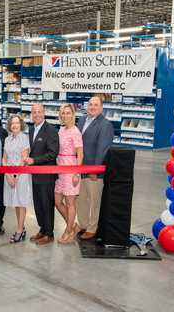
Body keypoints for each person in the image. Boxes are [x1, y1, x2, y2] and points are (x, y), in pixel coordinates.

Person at [75, 96, 114, 240]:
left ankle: (93, 228)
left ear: (101, 107)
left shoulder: (105, 125)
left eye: (96, 105)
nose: (92, 107)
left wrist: (95, 171)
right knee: (81, 199)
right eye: (90, 104)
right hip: (79, 168)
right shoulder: (81, 120)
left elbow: (102, 150)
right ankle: (84, 224)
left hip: (93, 171)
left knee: (95, 201)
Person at [24, 103, 59, 245]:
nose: (36, 114)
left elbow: (52, 153)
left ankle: (49, 233)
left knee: (47, 204)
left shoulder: (50, 130)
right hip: (35, 175)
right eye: (34, 112)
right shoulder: (32, 129)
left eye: (39, 112)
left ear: (44, 112)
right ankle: (43, 229)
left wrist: (33, 160)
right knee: (38, 204)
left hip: (46, 175)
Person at [54, 103, 84, 243]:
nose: (65, 116)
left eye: (68, 113)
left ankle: (69, 231)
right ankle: (72, 225)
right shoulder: (61, 130)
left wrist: (76, 173)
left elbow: (80, 154)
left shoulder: (75, 132)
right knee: (57, 201)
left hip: (71, 169)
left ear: (73, 114)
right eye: (63, 113)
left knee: (70, 203)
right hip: (60, 168)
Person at [3, 115, 33, 243]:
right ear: (9, 125)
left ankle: (19, 230)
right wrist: (7, 175)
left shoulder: (24, 138)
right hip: (9, 175)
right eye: (12, 123)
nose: (14, 125)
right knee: (15, 202)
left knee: (20, 203)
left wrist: (15, 177)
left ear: (21, 125)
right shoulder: (7, 139)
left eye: (17, 123)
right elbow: (4, 158)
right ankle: (22, 227)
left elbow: (24, 159)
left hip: (21, 175)